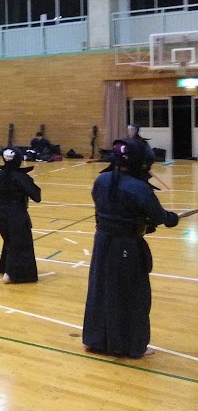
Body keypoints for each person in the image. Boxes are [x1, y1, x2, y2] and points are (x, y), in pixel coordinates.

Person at [82, 138, 181, 359]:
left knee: (101, 288)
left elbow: (108, 209)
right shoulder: (139, 187)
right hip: (126, 245)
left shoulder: (102, 180)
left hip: (102, 242)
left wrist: (139, 221)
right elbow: (159, 215)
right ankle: (131, 344)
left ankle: (97, 339)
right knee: (132, 294)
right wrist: (170, 219)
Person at [0, 147, 42, 283]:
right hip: (16, 215)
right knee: (20, 244)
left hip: (0, 214)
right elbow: (37, 196)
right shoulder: (21, 178)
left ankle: (5, 267)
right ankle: (11, 274)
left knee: (10, 240)